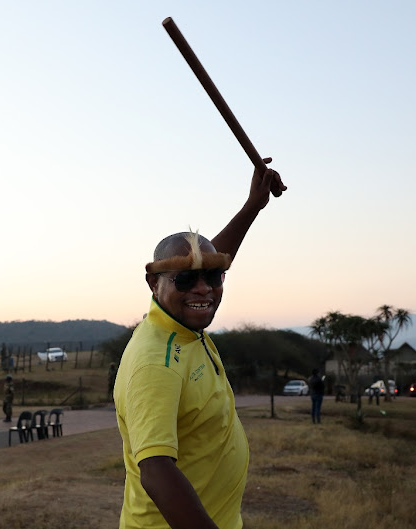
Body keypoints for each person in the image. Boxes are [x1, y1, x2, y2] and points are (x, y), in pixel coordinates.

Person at [113, 160, 286, 529]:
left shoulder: (184, 327)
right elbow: (156, 471)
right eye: (187, 280)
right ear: (153, 283)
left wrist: (252, 206)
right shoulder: (156, 362)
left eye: (214, 276)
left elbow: (205, 262)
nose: (203, 288)